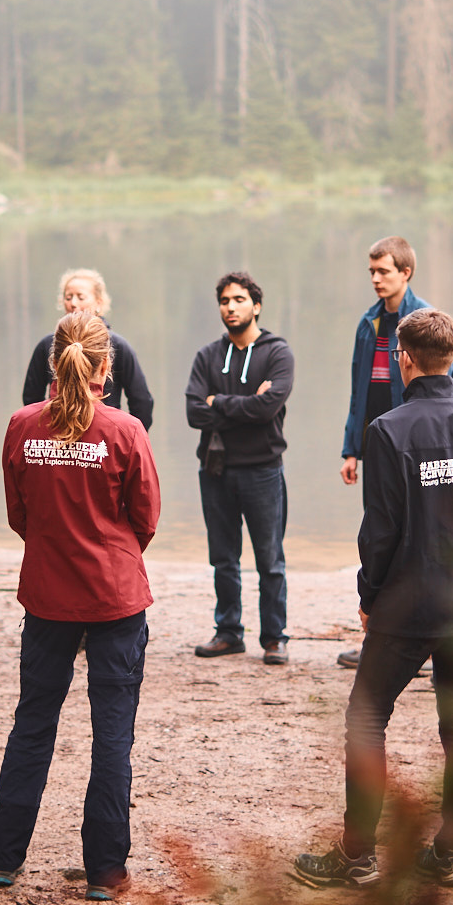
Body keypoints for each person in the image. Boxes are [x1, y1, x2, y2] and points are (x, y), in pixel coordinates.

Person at [292, 308, 453, 891]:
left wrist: (369, 596)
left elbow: (380, 531)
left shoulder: (388, 430)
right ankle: (450, 853)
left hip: (408, 605)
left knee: (366, 719)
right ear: (450, 357)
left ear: (403, 359)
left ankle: (358, 853)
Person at [0, 311, 160, 901]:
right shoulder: (125, 430)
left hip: (48, 596)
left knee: (33, 724)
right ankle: (105, 872)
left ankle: (5, 860)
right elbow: (146, 519)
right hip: (114, 596)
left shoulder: (21, 425)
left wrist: (59, 541)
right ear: (105, 368)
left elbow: (18, 514)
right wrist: (106, 547)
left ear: (52, 363)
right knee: (112, 734)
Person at [185, 271, 295, 663]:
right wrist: (246, 405)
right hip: (216, 469)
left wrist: (220, 402)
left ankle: (274, 637)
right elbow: (194, 413)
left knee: (270, 559)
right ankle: (229, 632)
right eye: (224, 301)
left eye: (238, 299)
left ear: (256, 305)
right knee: (223, 557)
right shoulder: (207, 356)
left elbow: (267, 409)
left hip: (263, 470)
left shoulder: (277, 353)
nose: (230, 307)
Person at [337, 235, 429, 670]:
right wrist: (351, 449)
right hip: (375, 444)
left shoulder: (422, 319)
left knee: (417, 535)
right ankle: (377, 634)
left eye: (384, 271)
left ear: (405, 273)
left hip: (410, 446)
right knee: (378, 536)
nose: (375, 279)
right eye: (371, 271)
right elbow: (358, 391)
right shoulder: (368, 323)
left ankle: (424, 638)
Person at [20, 269, 155, 429]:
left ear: (99, 302)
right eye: (68, 297)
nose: (73, 303)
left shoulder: (117, 346)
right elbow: (32, 398)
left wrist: (128, 437)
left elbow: (141, 403)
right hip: (58, 435)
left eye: (81, 297)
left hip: (106, 436)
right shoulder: (48, 345)